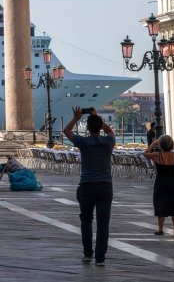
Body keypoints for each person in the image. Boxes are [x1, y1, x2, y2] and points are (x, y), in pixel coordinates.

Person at [64, 106, 116, 267]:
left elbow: (67, 131)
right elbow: (111, 132)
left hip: (87, 185)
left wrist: (76, 118)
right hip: (105, 186)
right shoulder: (108, 142)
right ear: (100, 127)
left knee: (86, 220)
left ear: (87, 128)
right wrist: (98, 117)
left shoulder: (83, 142)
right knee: (103, 223)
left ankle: (88, 253)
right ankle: (100, 257)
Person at [143, 134, 174, 236]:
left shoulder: (158, 155)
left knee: (160, 205)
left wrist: (152, 144)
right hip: (173, 182)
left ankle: (160, 229)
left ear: (160, 144)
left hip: (161, 183)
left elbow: (145, 154)